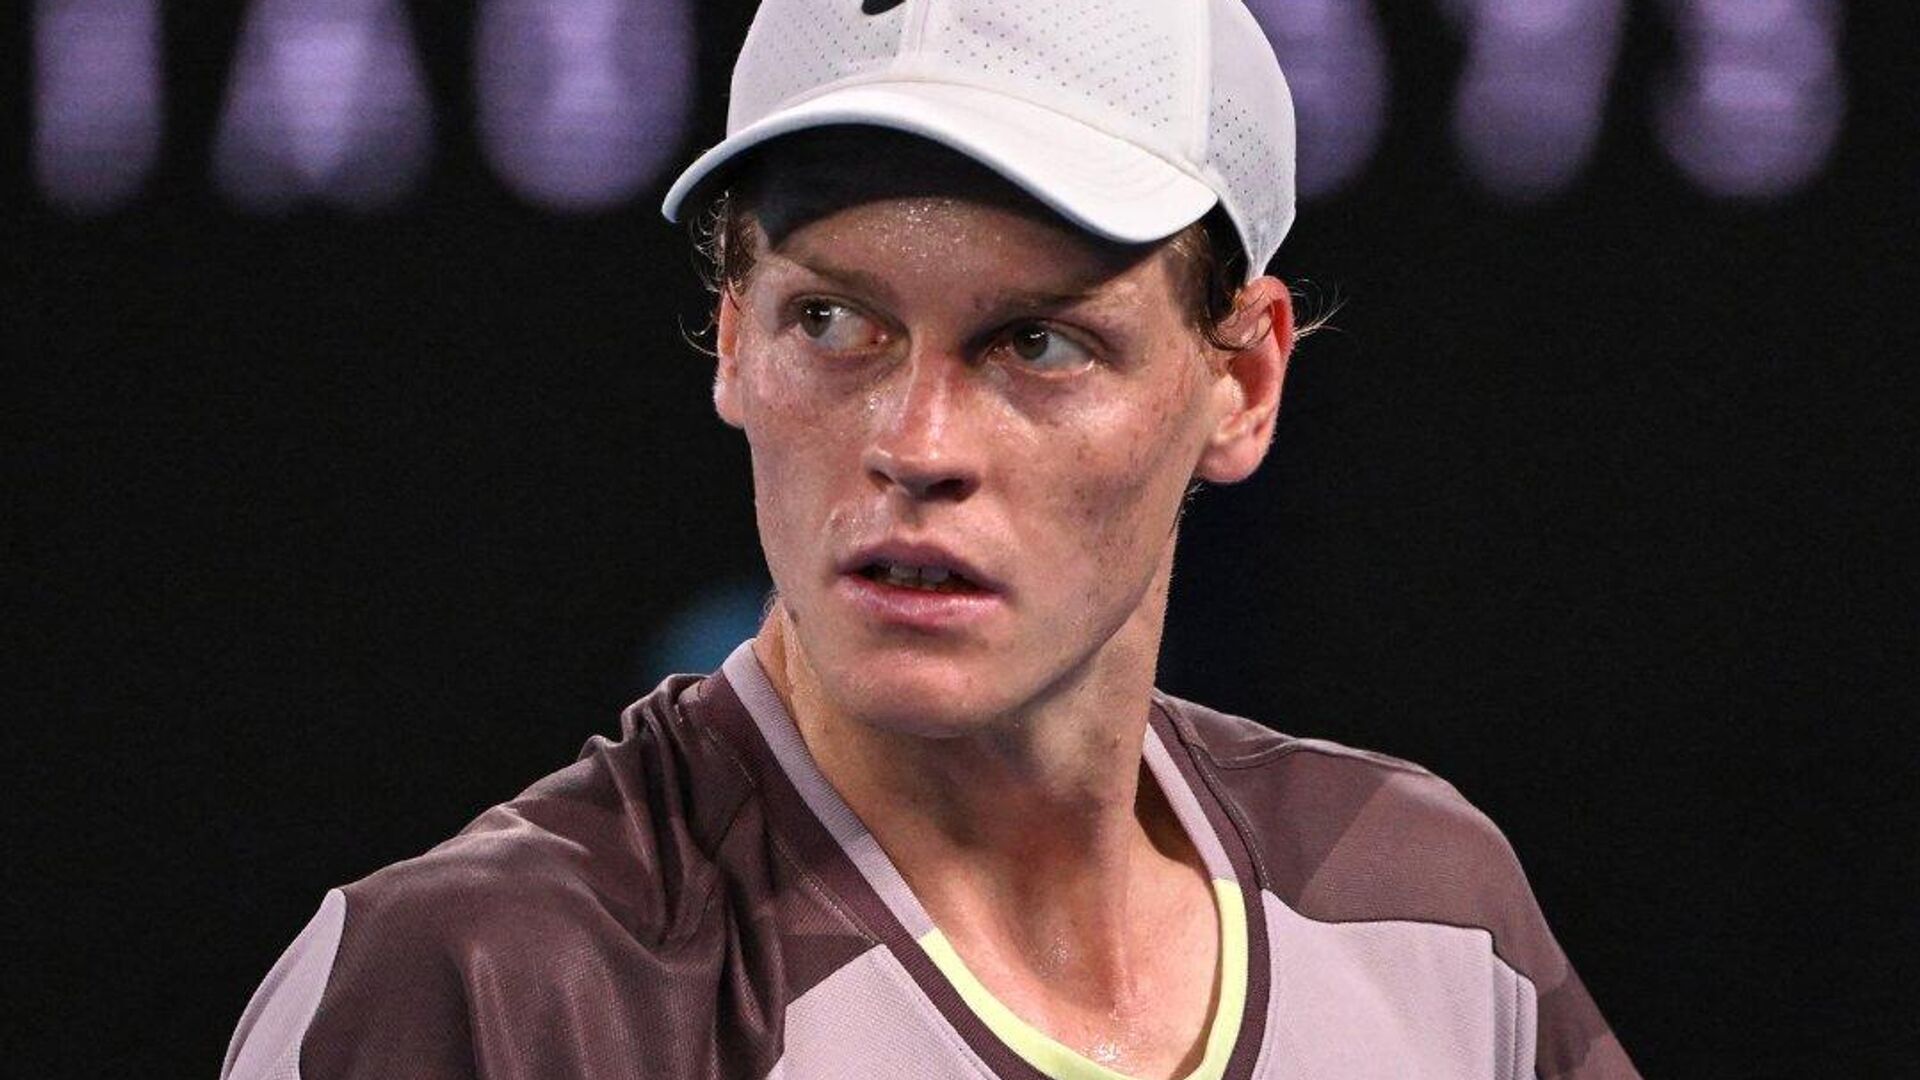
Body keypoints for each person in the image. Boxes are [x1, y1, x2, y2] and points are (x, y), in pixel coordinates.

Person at [222, 0, 1638, 1077]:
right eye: (832, 321)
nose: (918, 443)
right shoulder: (485, 993)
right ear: (732, 342)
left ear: (1243, 381)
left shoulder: (1426, 918)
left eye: (1039, 342)